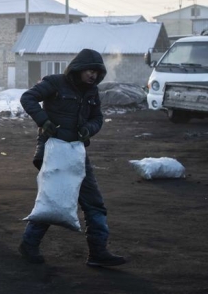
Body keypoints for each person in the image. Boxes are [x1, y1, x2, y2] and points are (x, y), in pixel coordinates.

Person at [17, 48, 126, 267]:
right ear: (78, 68)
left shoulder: (92, 91)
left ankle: (98, 252)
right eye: (89, 71)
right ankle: (29, 245)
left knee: (94, 203)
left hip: (76, 152)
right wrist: (43, 121)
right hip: (53, 150)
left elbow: (97, 118)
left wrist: (89, 129)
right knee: (53, 201)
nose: (93, 76)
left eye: (97, 72)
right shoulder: (55, 82)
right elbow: (28, 97)